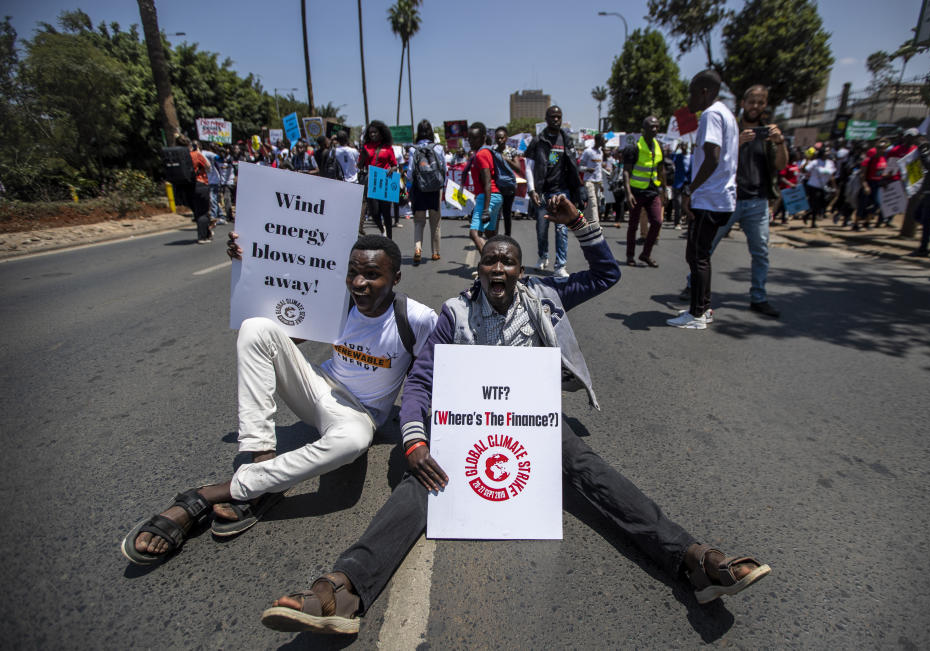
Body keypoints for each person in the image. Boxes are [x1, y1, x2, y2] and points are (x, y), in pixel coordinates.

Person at [258, 195, 770, 635]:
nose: (497, 270)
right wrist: (414, 441)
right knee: (422, 485)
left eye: (507, 263)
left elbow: (607, 273)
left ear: (520, 271)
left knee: (589, 470)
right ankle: (346, 589)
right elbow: (420, 382)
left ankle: (692, 560)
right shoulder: (453, 315)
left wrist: (576, 221)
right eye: (489, 264)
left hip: (533, 422)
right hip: (467, 428)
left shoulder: (546, 298)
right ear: (478, 270)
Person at [120, 235, 438, 564]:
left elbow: (431, 375)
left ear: (395, 278)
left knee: (354, 442)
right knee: (257, 328)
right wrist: (246, 265)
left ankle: (214, 492)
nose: (358, 283)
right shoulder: (338, 301)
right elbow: (285, 338)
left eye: (371, 275)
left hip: (359, 414)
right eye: (352, 272)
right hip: (318, 388)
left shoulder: (416, 319)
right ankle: (261, 460)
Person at [704, 85, 787, 318]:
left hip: (758, 202)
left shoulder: (770, 134)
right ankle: (695, 286)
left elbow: (781, 165)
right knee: (707, 247)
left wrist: (779, 142)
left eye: (761, 103)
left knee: (761, 251)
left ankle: (758, 296)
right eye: (752, 102)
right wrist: (737, 142)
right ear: (743, 103)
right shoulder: (731, 127)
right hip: (729, 200)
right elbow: (717, 160)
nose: (756, 107)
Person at [668, 70, 738, 330]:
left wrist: (690, 189)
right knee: (701, 255)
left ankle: (697, 314)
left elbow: (712, 157)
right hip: (720, 198)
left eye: (692, 92)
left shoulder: (711, 114)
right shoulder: (727, 114)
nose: (690, 99)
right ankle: (702, 307)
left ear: (705, 92)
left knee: (697, 256)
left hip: (709, 199)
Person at [524, 105, 586, 277]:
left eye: (559, 116)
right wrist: (532, 190)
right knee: (542, 228)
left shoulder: (566, 139)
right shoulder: (538, 140)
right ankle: (543, 256)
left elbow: (574, 166)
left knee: (562, 229)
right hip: (543, 192)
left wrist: (578, 190)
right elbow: (528, 166)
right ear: (546, 118)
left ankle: (560, 265)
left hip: (561, 192)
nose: (556, 119)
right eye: (553, 116)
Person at [622, 116, 668, 267]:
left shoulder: (659, 147)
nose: (654, 129)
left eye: (656, 126)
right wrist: (628, 193)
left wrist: (664, 190)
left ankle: (645, 254)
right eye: (651, 127)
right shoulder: (634, 147)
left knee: (657, 221)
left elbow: (661, 170)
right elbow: (626, 172)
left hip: (652, 191)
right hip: (635, 192)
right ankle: (630, 256)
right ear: (644, 129)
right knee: (633, 225)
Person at [407, 119, 445, 265]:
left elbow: (410, 172)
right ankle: (435, 252)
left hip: (419, 188)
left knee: (419, 221)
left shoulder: (413, 149)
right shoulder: (438, 148)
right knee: (435, 222)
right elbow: (444, 170)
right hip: (435, 189)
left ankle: (418, 249)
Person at [464, 121, 503, 256]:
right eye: (469, 138)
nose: (471, 141)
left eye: (474, 138)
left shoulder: (481, 155)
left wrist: (485, 209)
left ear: (483, 138)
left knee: (474, 233)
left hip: (488, 197)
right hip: (495, 196)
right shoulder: (484, 153)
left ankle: (490, 263)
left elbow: (487, 182)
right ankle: (499, 260)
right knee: (490, 234)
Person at [359, 121, 399, 239]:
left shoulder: (388, 148)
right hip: (372, 183)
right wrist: (364, 157)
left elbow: (395, 165)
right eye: (370, 133)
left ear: (381, 133)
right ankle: (382, 229)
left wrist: (392, 169)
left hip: (385, 183)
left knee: (386, 213)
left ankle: (390, 239)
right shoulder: (366, 147)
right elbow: (360, 166)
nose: (372, 135)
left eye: (375, 132)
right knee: (375, 213)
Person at [494, 126, 524, 236]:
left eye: (502, 138)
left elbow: (518, 168)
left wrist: (506, 159)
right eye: (497, 138)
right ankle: (494, 236)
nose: (500, 140)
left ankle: (508, 236)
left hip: (509, 186)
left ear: (506, 138)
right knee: (495, 213)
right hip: (496, 186)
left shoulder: (511, 151)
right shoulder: (493, 151)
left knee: (506, 212)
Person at [804, 145, 836, 230]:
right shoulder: (815, 162)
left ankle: (809, 213)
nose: (827, 153)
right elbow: (805, 170)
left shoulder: (830, 163)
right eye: (826, 152)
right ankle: (813, 222)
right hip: (813, 186)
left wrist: (834, 187)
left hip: (823, 187)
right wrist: (807, 160)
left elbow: (832, 176)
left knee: (823, 203)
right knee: (815, 203)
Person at [579, 134, 605, 229]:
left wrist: (601, 183)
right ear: (598, 141)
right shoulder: (588, 152)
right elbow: (580, 167)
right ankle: (595, 225)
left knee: (594, 203)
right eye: (603, 140)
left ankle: (583, 220)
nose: (604, 142)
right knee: (593, 202)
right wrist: (587, 169)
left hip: (598, 182)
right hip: (589, 181)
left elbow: (599, 169)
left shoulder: (600, 152)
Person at [189, 140, 213, 244]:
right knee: (203, 212)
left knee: (198, 212)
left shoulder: (184, 155)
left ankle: (207, 233)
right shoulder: (196, 154)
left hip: (189, 186)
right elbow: (208, 167)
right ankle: (202, 237)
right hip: (201, 183)